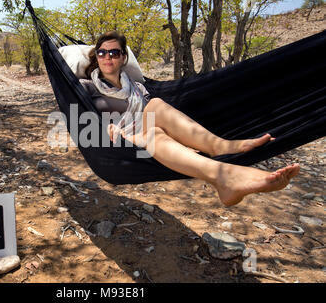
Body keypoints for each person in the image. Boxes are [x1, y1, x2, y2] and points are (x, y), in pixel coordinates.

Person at [79, 31, 300, 207]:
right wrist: (102, 128)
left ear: (123, 58)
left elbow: (157, 119)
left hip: (145, 136)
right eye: (102, 52)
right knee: (154, 123)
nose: (107, 57)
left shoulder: (138, 87)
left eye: (114, 53)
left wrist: (182, 142)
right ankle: (225, 171)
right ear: (96, 57)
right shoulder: (86, 87)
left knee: (155, 109)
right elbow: (79, 118)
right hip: (115, 144)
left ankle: (222, 157)